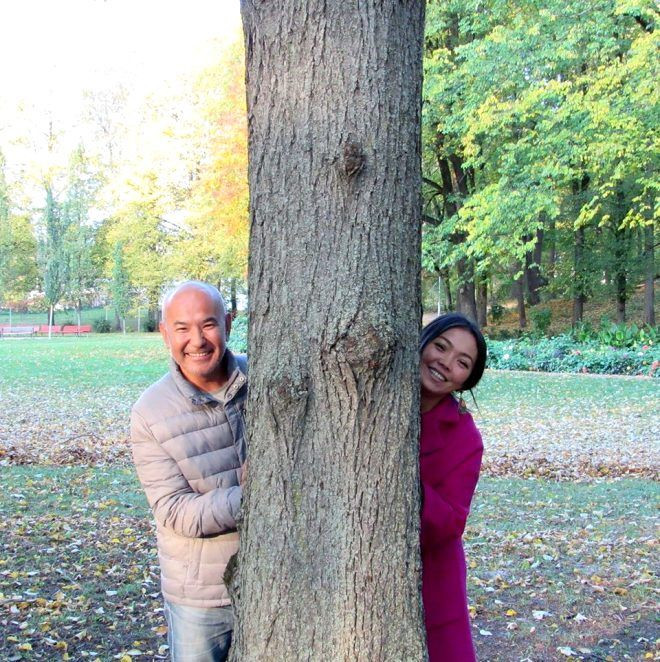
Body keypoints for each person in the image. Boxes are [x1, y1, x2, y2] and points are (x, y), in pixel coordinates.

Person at [130, 281, 247, 662]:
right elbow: (174, 510)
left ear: (228, 323)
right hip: (203, 597)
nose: (197, 340)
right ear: (165, 333)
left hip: (279, 578)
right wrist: (255, 496)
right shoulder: (150, 413)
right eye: (182, 328)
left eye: (208, 324)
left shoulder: (262, 379)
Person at [419, 312, 487, 662]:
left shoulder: (465, 437)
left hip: (433, 576)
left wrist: (408, 485)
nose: (444, 363)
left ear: (466, 380)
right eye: (440, 347)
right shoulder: (375, 402)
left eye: (461, 363)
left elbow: (450, 523)